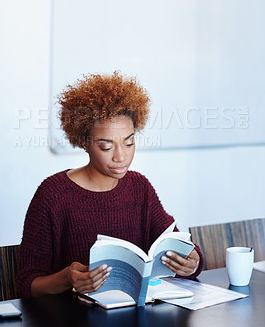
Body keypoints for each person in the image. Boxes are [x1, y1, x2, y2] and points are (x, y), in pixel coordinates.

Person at [17, 71, 203, 298]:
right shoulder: (53, 195)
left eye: (129, 142)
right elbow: (27, 285)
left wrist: (192, 263)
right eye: (106, 146)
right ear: (84, 143)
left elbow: (174, 244)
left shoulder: (139, 188)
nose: (121, 157)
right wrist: (67, 278)